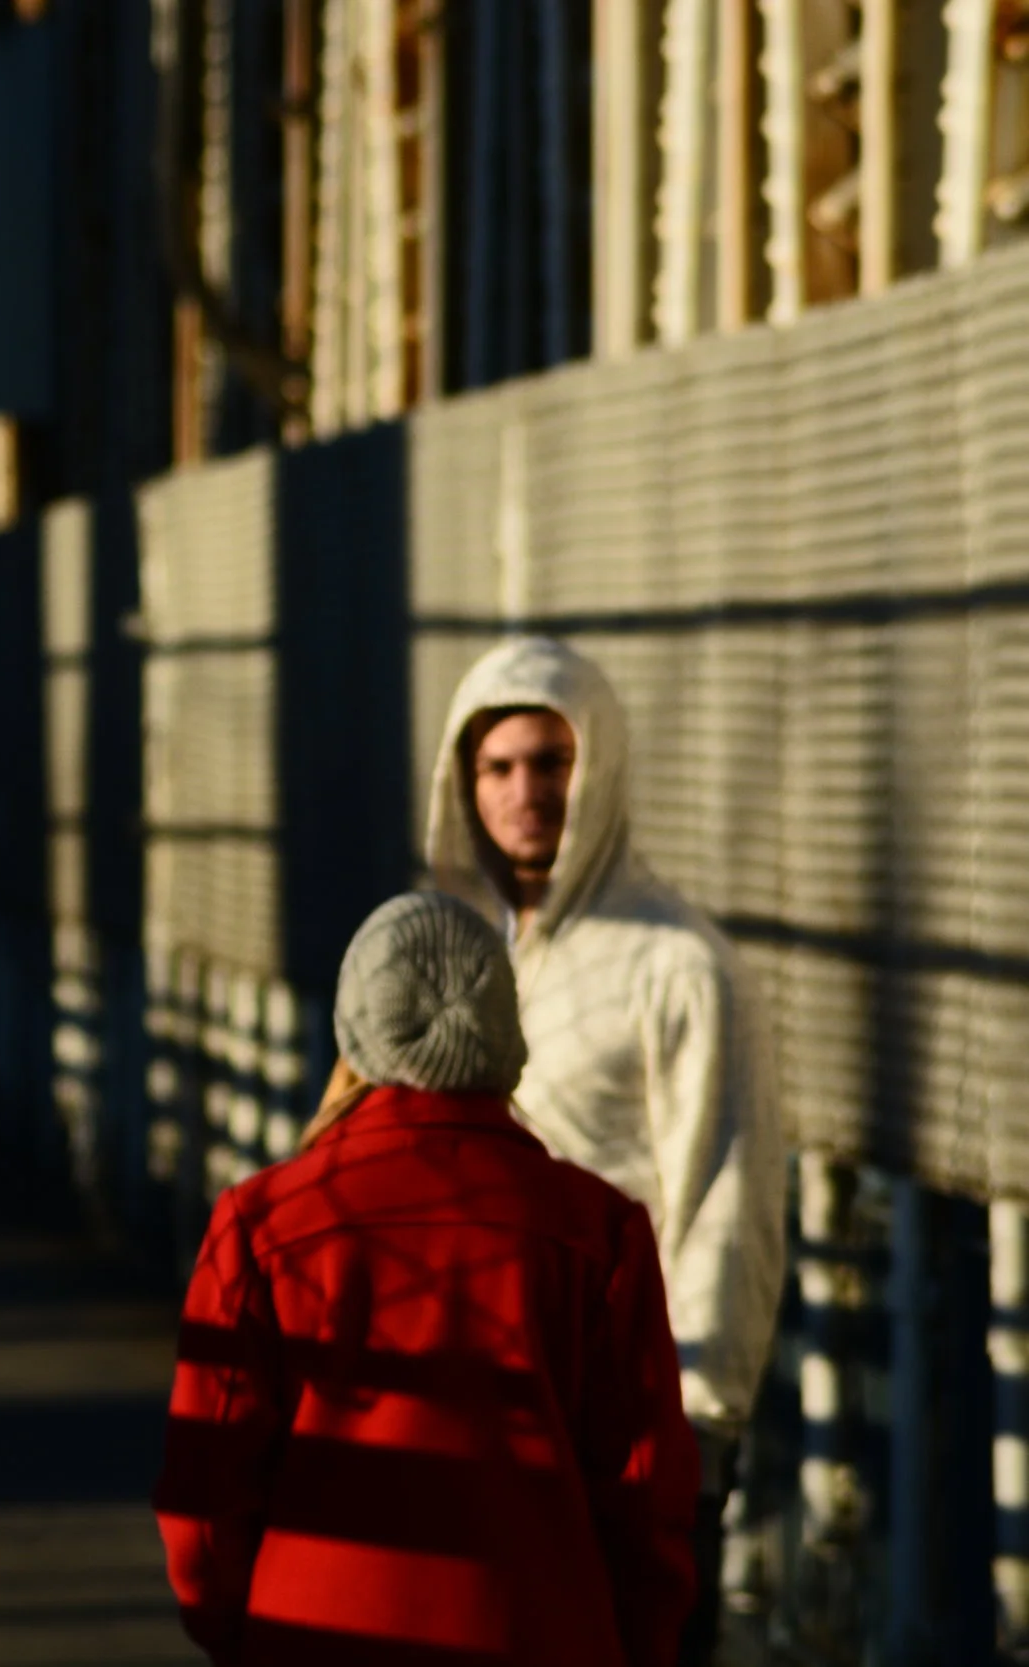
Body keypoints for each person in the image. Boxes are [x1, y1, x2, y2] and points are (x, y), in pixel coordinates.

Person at [154, 891, 702, 1667]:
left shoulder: (264, 1225)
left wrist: (237, 1629)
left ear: (355, 1034)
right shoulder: (598, 1231)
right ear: (505, 1036)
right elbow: (647, 1499)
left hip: (313, 1629)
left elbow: (206, 1499)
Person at [425, 636, 786, 1660]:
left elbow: (724, 1188)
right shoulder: (460, 953)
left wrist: (700, 1421)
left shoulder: (676, 962)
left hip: (630, 1422)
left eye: (552, 761)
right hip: (483, 1410)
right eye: (497, 766)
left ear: (601, 769)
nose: (524, 791)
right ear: (463, 781)